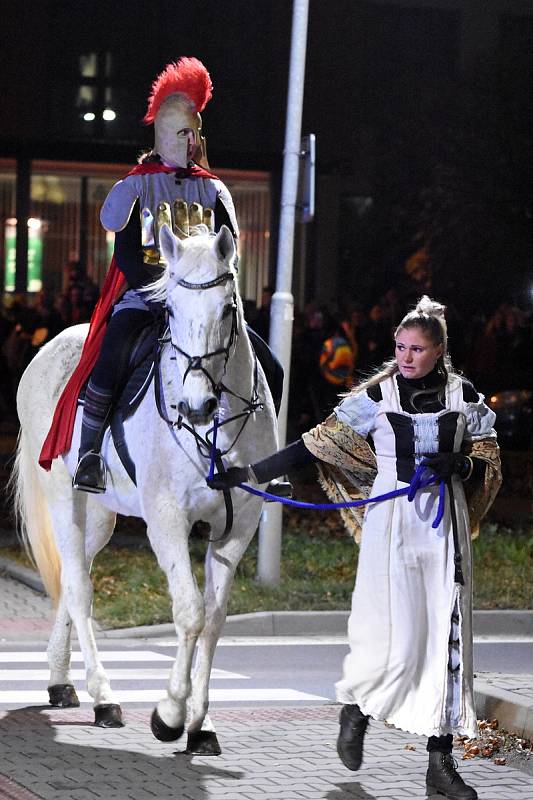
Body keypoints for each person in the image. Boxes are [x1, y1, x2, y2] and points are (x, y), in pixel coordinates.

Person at [207, 296, 502, 800]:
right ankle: (357, 712)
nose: (407, 357)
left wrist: (466, 467)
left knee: (445, 641)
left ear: (438, 351)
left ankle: (440, 763)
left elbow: (488, 452)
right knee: (389, 636)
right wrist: (250, 474)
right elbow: (316, 444)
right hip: (391, 530)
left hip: (443, 532)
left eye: (417, 349)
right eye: (401, 347)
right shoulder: (377, 397)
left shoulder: (463, 396)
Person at [39, 56, 281, 490]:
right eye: (185, 133)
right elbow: (128, 253)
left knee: (271, 368)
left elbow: (231, 248)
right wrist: (159, 292)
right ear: (167, 134)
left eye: (196, 134)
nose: (193, 142)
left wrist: (211, 293)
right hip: (146, 297)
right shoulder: (138, 184)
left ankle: (265, 458)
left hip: (202, 303)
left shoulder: (212, 188)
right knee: (110, 359)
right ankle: (91, 455)